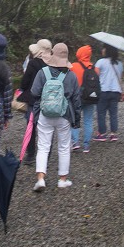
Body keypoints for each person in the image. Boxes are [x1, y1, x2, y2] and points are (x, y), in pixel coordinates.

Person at [29, 42, 81, 191]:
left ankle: (40, 179)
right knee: (64, 147)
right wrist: (76, 120)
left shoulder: (42, 72)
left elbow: (34, 92)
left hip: (45, 114)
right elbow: (76, 100)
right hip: (64, 115)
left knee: (43, 147)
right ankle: (62, 180)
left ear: (53, 55)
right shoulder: (71, 76)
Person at [17, 38, 52, 165]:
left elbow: (24, 82)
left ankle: (31, 155)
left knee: (31, 127)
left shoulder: (33, 63)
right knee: (47, 129)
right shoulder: (54, 63)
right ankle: (45, 157)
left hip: (33, 100)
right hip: (49, 101)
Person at [69, 45, 99, 153]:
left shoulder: (73, 66)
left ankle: (75, 142)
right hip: (90, 97)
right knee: (88, 120)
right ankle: (86, 145)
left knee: (75, 119)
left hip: (76, 98)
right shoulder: (95, 68)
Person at [93, 43, 124, 142]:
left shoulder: (100, 62)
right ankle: (113, 134)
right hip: (116, 92)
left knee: (101, 113)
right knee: (113, 113)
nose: (102, 50)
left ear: (107, 50)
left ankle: (102, 134)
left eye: (104, 48)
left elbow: (95, 76)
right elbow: (120, 78)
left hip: (103, 91)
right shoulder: (119, 63)